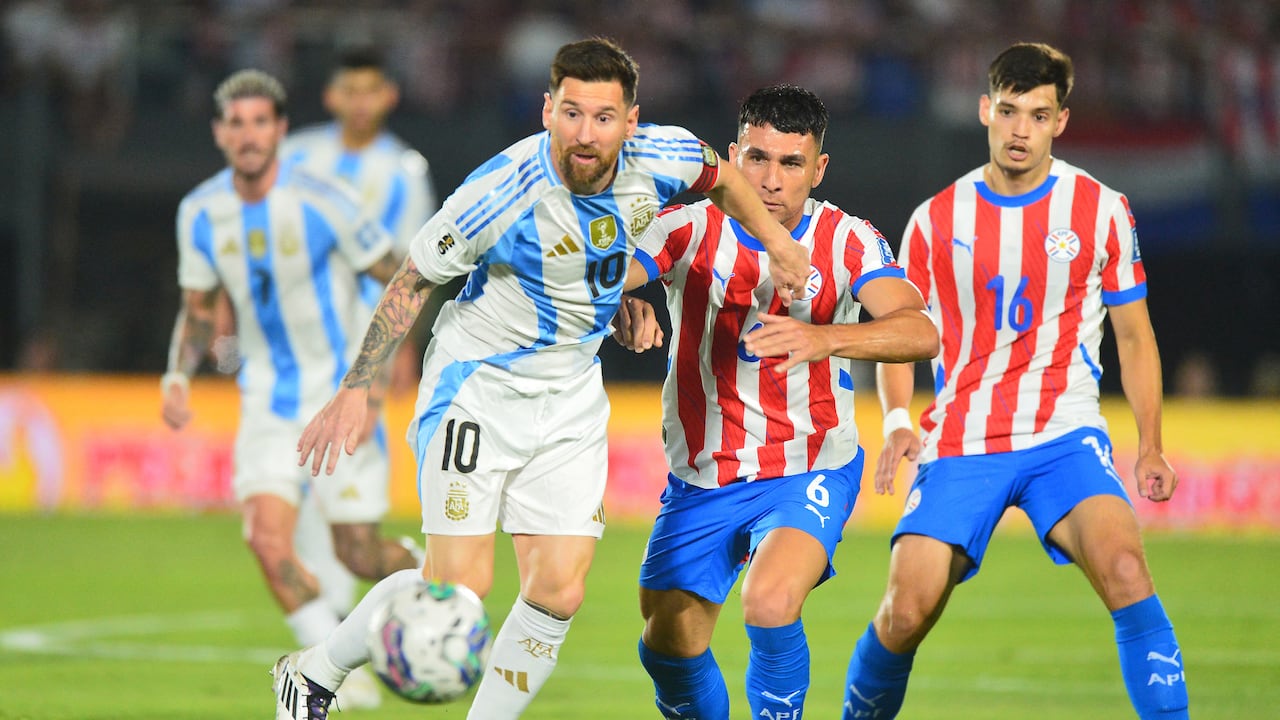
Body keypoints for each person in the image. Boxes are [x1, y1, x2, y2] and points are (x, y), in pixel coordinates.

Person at [277, 37, 812, 720]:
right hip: (479, 386)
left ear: (632, 121)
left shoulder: (666, 156)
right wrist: (357, 387)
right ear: (546, 111)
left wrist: (778, 242)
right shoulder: (499, 193)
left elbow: (726, 178)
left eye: (603, 117)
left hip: (569, 397)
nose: (585, 134)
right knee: (456, 590)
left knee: (559, 591)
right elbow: (413, 281)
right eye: (571, 113)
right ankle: (314, 671)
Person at [841, 42, 1189, 719]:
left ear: (1061, 121)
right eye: (1008, 111)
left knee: (1126, 573)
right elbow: (901, 339)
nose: (1020, 129)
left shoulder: (1100, 209)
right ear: (984, 111)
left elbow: (1136, 336)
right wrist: (897, 420)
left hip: (1064, 433)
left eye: (1038, 114)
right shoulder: (935, 220)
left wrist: (1150, 442)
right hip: (964, 438)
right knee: (905, 611)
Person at [613, 84, 938, 720]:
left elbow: (919, 331)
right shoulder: (686, 226)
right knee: (668, 647)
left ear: (818, 169)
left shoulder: (847, 240)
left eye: (791, 164)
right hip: (701, 477)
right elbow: (590, 286)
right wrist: (617, 309)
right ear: (732, 156)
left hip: (809, 464)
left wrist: (826, 338)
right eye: (756, 159)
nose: (770, 179)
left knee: (768, 601)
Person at [160, 68, 421, 710]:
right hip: (266, 404)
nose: (248, 135)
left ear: (279, 129)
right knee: (266, 539)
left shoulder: (324, 200)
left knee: (358, 552)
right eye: (235, 123)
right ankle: (328, 671)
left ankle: (432, 577)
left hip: (339, 400)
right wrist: (177, 374)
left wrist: (378, 374)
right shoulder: (199, 212)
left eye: (259, 122)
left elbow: (402, 278)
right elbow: (198, 308)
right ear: (220, 133)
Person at [279, 46, 439, 709]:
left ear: (389, 97)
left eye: (372, 90)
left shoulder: (404, 169)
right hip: (289, 355)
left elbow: (417, 267)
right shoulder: (296, 156)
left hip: (355, 357)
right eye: (350, 90)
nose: (360, 102)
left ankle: (429, 581)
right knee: (288, 509)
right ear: (332, 97)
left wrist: (399, 352)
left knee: (349, 529)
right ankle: (333, 652)